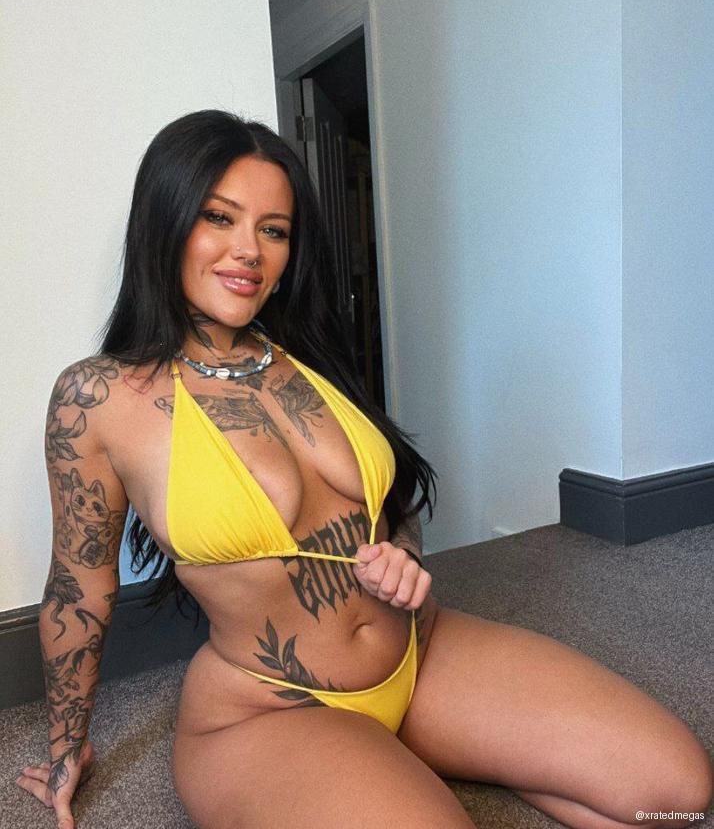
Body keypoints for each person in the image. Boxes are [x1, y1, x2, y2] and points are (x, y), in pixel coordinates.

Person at [17, 110, 712, 829]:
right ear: (164, 222)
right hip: (267, 711)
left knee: (676, 792)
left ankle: (411, 757)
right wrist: (67, 748)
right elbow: (80, 589)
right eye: (218, 217)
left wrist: (403, 555)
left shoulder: (307, 353)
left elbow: (389, 504)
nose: (248, 250)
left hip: (420, 650)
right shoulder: (99, 398)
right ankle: (374, 770)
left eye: (274, 230)